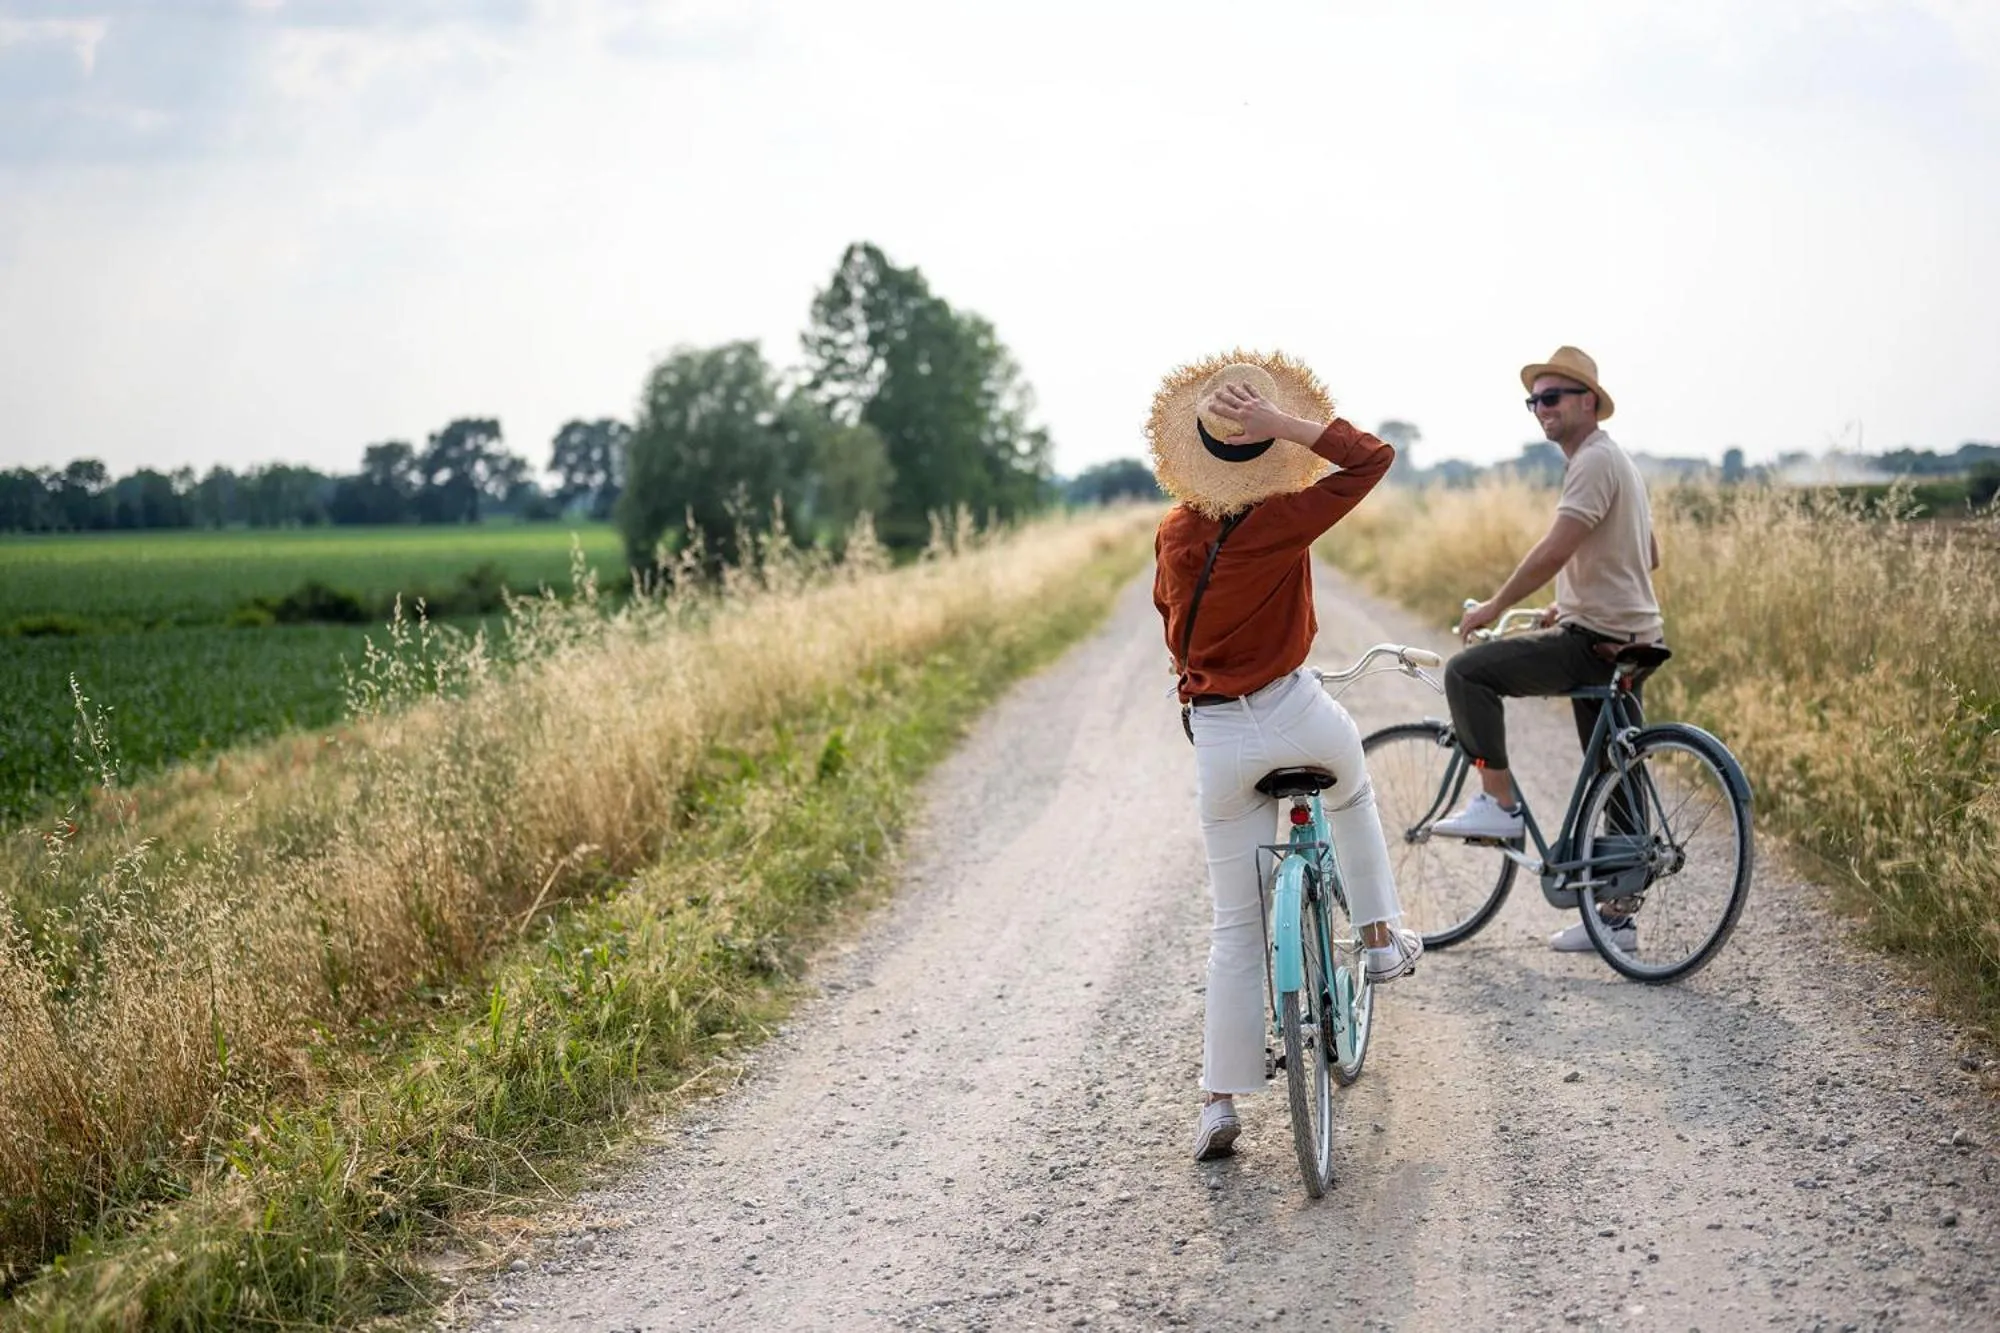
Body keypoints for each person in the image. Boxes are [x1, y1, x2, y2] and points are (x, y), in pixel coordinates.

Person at [1148, 350, 1423, 1163]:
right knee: (1352, 787)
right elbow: (1372, 458)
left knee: (1235, 925)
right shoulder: (1284, 518)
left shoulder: (1174, 532)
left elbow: (1170, 626)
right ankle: (1379, 937)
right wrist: (1286, 425)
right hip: (1296, 711)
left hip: (1218, 734)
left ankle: (1217, 1100)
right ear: (1267, 452)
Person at [1431, 345, 1664, 953]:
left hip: (1596, 642)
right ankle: (1615, 920)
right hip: (1635, 637)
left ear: (1590, 402)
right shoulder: (1617, 461)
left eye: (1553, 397)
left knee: (1467, 674)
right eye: (1534, 400)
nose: (1542, 408)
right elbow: (1647, 553)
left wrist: (1493, 605)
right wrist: (1575, 600)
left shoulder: (1592, 460)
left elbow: (1556, 548)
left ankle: (1499, 804)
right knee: (1615, 768)